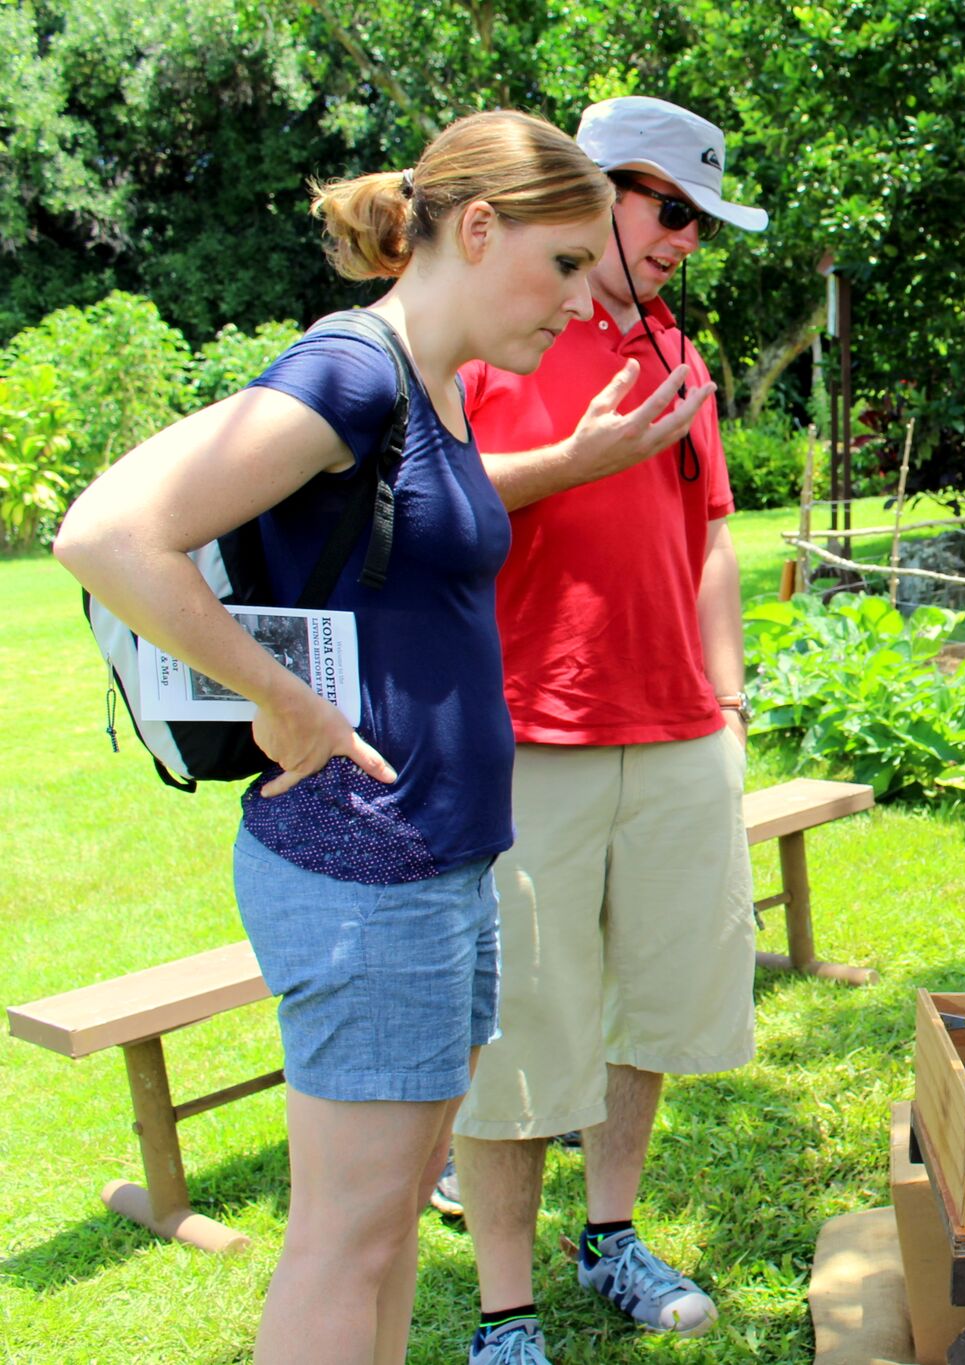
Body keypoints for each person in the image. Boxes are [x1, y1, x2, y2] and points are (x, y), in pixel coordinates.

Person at [52, 112, 627, 1364]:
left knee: (384, 1234)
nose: (582, 301)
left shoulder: (433, 386)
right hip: (366, 869)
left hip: (434, 867)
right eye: (569, 262)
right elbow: (107, 532)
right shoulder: (353, 371)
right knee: (345, 1239)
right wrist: (284, 697)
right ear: (479, 229)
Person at [445, 95, 765, 1365]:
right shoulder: (498, 337)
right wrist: (564, 465)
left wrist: (726, 696)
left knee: (654, 1013)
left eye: (699, 220)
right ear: (597, 192)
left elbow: (713, 535)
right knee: (523, 1030)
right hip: (530, 735)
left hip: (681, 732)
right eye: (670, 211)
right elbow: (424, 510)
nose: (685, 239)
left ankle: (610, 1235)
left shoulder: (680, 352)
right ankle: (505, 1314)